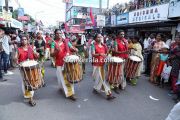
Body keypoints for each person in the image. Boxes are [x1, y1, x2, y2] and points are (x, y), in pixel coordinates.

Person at [51, 29, 76, 101]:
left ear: (62, 34)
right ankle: (63, 88)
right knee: (61, 78)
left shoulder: (66, 41)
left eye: (60, 33)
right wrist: (56, 51)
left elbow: (71, 48)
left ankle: (71, 93)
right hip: (59, 63)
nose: (59, 35)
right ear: (55, 34)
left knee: (68, 78)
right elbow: (51, 54)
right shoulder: (53, 43)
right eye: (57, 33)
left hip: (68, 63)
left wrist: (75, 49)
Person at [91, 33, 115, 100]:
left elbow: (106, 53)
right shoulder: (93, 45)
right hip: (97, 64)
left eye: (100, 37)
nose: (100, 38)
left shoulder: (104, 45)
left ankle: (98, 90)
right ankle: (108, 93)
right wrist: (99, 54)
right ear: (95, 38)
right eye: (98, 37)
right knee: (100, 78)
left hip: (103, 64)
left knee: (101, 79)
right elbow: (93, 54)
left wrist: (109, 50)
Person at [17, 35, 39, 106]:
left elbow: (37, 56)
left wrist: (36, 53)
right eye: (22, 40)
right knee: (25, 82)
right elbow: (16, 58)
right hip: (23, 68)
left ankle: (30, 96)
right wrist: (15, 59)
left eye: (25, 39)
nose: (24, 41)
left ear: (27, 40)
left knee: (32, 81)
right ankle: (30, 98)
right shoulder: (19, 49)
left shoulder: (31, 48)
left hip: (32, 67)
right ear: (21, 41)